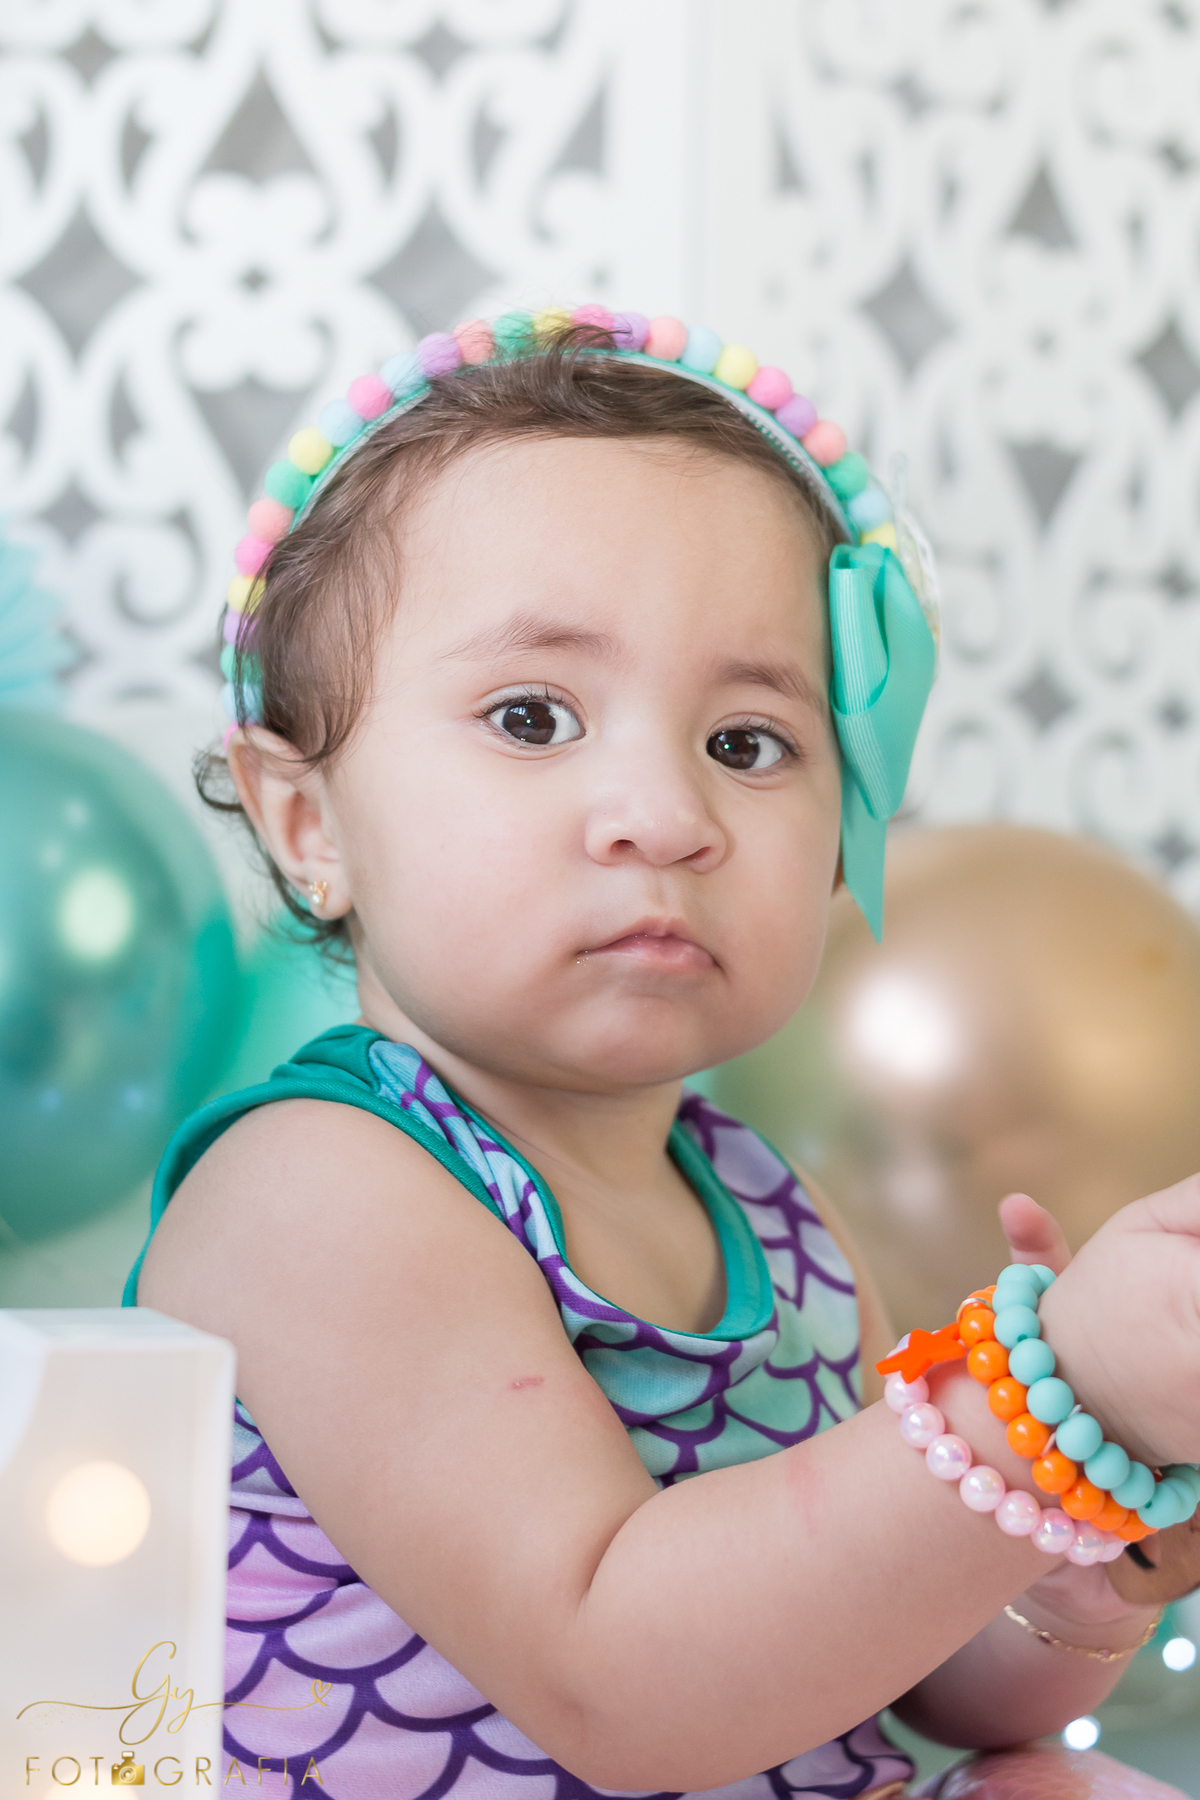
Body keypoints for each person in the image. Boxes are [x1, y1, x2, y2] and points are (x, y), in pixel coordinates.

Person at [128, 308, 1200, 1799]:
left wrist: (1080, 1548)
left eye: (748, 742)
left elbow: (910, 1680)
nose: (665, 815)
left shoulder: (774, 1210)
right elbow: (620, 1681)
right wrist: (1045, 1391)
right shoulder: (318, 1194)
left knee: (1054, 1785)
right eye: (532, 717)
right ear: (310, 824)